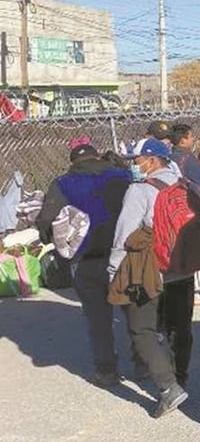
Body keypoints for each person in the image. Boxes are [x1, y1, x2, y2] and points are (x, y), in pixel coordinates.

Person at [36, 141, 131, 387]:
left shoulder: (63, 183)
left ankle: (106, 370)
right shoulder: (121, 176)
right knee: (133, 310)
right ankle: (145, 362)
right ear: (97, 157)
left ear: (73, 163)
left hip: (85, 257)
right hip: (123, 254)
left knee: (97, 317)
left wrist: (52, 243)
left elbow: (46, 220)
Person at [108, 138, 189, 418]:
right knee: (176, 325)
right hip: (182, 264)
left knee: (141, 328)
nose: (134, 165)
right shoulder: (183, 183)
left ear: (153, 161)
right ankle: (181, 376)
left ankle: (169, 388)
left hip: (148, 266)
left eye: (137, 160)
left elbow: (124, 234)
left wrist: (113, 270)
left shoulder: (139, 190)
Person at [168, 124, 200, 197]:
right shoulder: (187, 159)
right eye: (191, 137)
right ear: (182, 141)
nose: (193, 139)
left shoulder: (169, 158)